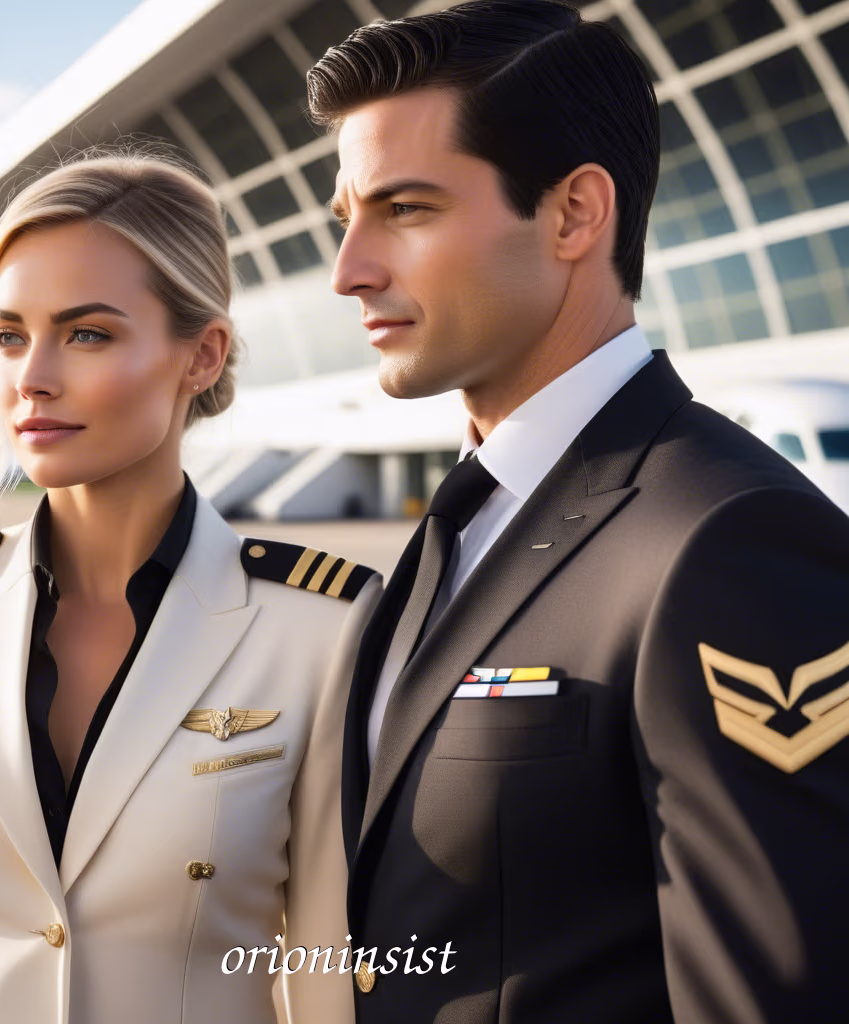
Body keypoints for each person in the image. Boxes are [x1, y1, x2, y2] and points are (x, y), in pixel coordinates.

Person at [308, 2, 849, 1021]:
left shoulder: (728, 542)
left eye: (407, 210)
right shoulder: (456, 528)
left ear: (572, 215)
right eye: (348, 219)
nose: (351, 272)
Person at [0, 154, 380, 1024]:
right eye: (8, 336)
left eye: (87, 334)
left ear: (201, 356)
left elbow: (328, 977)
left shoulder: (319, 626)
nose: (32, 376)